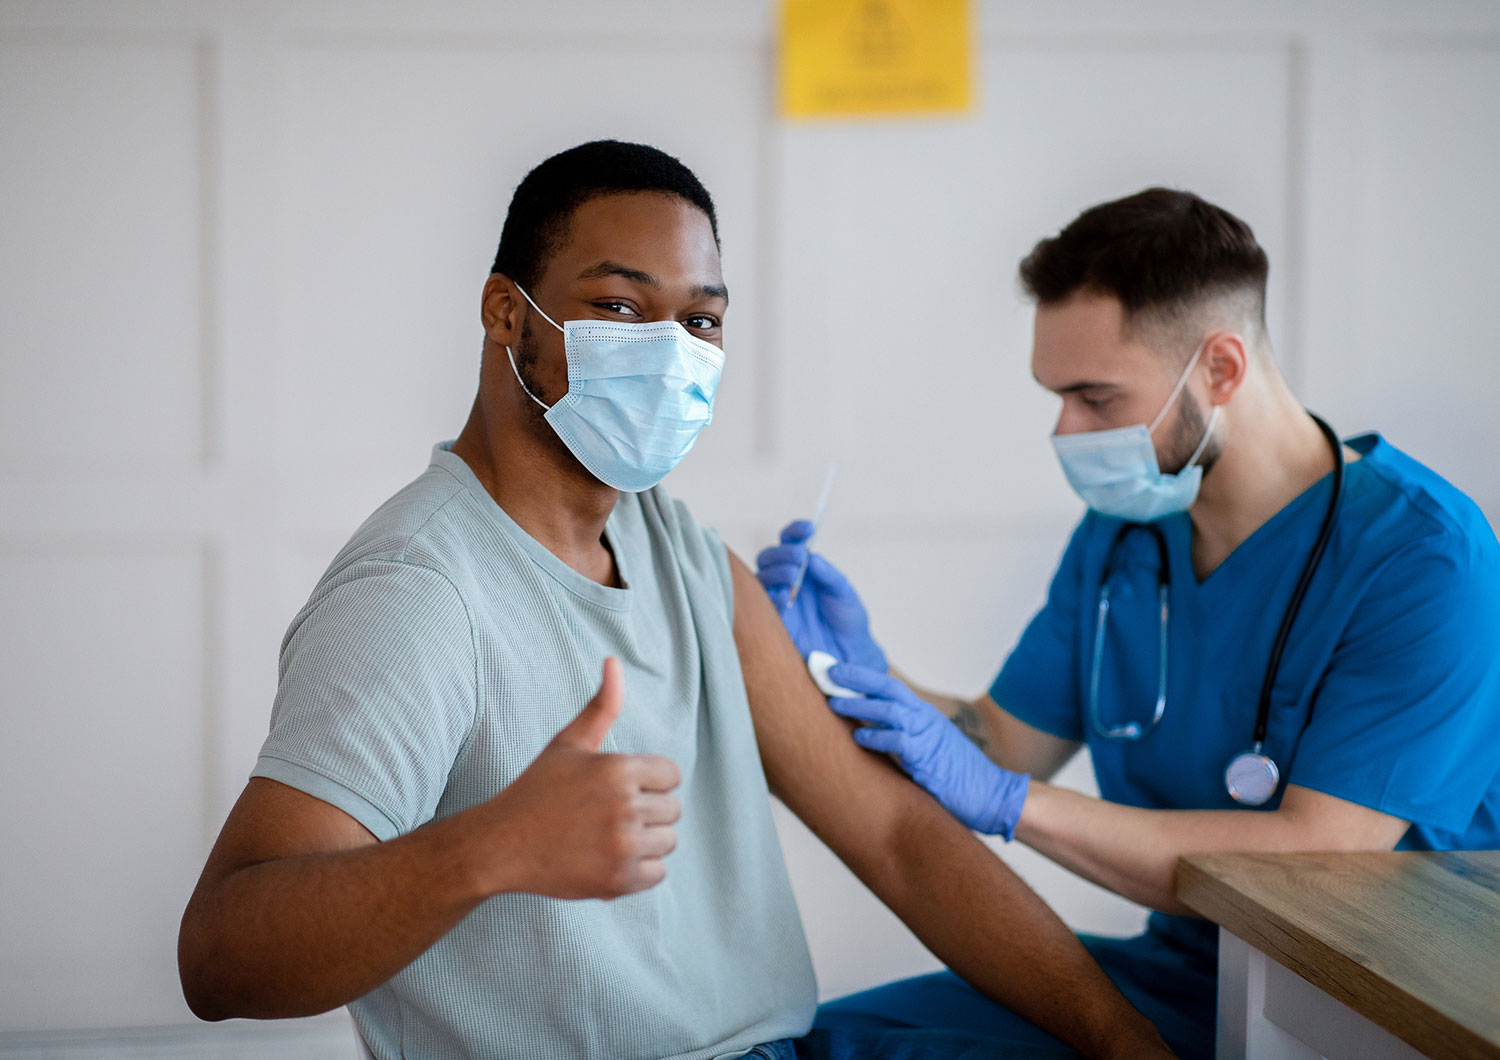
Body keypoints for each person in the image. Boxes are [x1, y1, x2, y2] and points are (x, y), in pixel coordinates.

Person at [176, 141, 1175, 1060]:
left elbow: (897, 838)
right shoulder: (421, 595)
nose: (670, 350)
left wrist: (1125, 1041)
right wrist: (487, 849)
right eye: (618, 307)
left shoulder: (688, 560)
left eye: (700, 320)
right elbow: (219, 957)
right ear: (506, 312)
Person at [756, 187, 1500, 1060]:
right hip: (1185, 974)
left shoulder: (1423, 556)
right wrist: (847, 667)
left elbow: (1317, 856)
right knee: (800, 1045)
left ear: (1220, 368)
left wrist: (1011, 806)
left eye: (1096, 398)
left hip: (1357, 1003)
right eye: (1056, 397)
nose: (1066, 431)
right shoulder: (1125, 534)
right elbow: (996, 743)